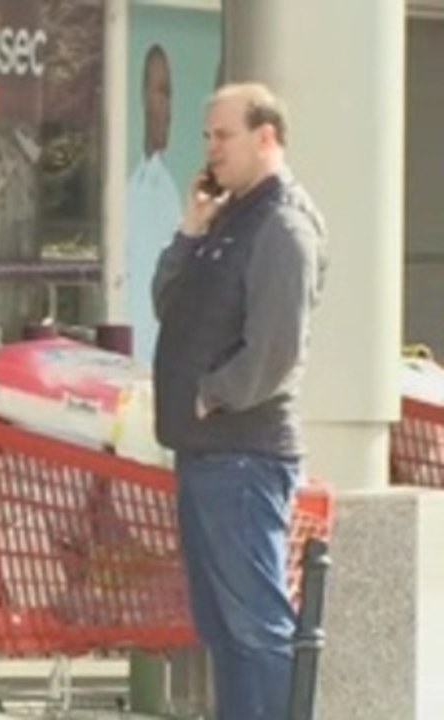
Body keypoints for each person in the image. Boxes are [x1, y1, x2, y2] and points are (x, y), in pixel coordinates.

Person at [151, 82, 327, 719]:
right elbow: (171, 306)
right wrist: (190, 232)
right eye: (206, 137)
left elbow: (276, 349)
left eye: (222, 135)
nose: (210, 150)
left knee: (255, 629)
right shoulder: (231, 217)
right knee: (222, 630)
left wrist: (211, 396)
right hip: (205, 452)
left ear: (266, 136)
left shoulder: (283, 226)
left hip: (244, 455)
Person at [127, 43, 182, 361]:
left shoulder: (170, 192)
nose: (166, 108)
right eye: (159, 92)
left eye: (169, 95)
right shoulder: (122, 189)